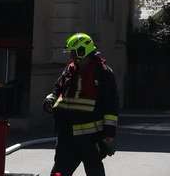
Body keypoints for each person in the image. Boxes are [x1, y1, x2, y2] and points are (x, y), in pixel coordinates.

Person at [45, 32, 120, 176]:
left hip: (90, 138)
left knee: (94, 171)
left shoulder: (102, 72)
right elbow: (57, 90)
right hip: (66, 135)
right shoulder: (70, 70)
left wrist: (108, 134)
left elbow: (111, 105)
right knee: (59, 172)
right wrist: (49, 101)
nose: (71, 56)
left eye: (73, 52)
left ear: (82, 50)